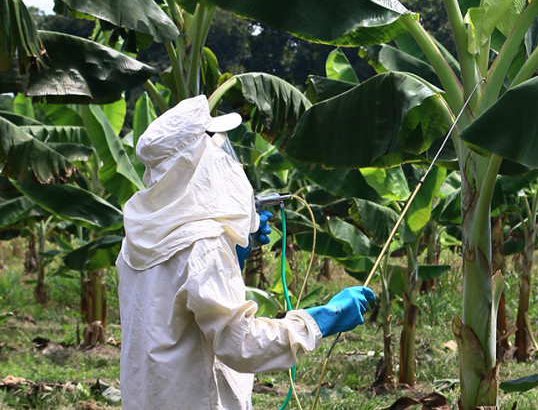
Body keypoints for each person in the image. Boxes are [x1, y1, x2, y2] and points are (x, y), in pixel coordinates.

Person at [116, 95, 375, 409]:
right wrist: (321, 319)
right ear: (195, 164)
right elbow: (241, 344)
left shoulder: (137, 239)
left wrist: (237, 249)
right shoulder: (204, 247)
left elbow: (173, 308)